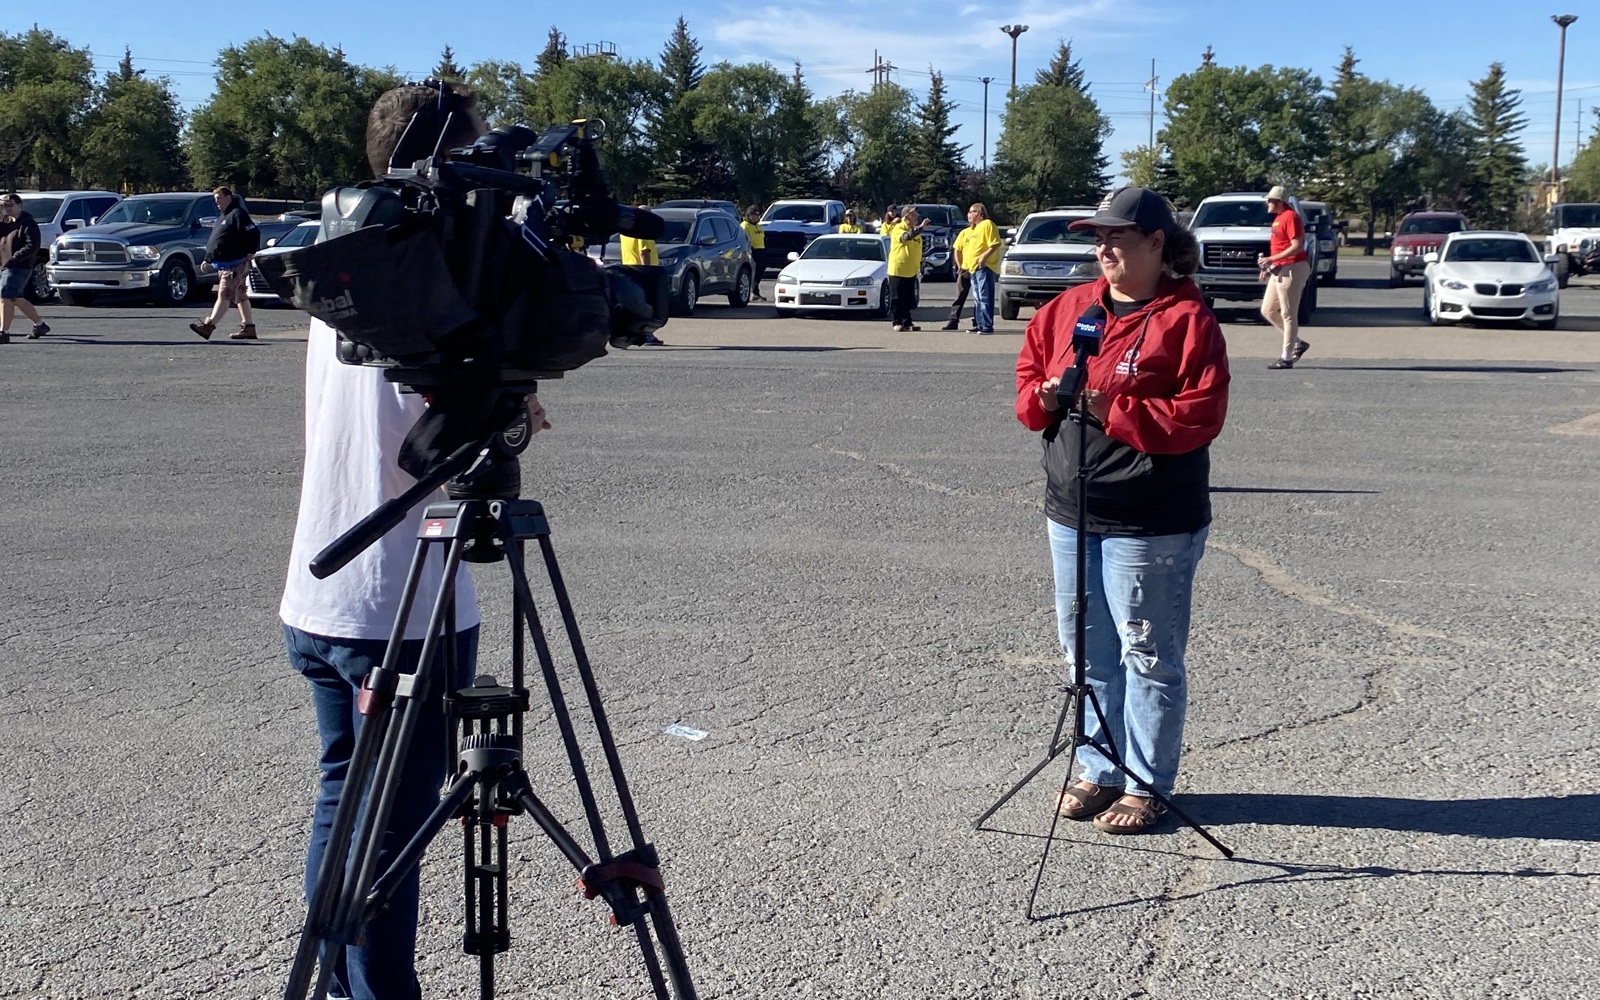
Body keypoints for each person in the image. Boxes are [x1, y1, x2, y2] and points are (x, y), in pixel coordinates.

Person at [279, 81, 550, 1000]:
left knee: (344, 812)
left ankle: (336, 981)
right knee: (388, 840)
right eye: (479, 156)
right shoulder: (436, 274)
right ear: (441, 158)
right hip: (400, 602)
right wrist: (514, 406)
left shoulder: (351, 253)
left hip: (325, 596)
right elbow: (443, 434)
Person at [1014, 186, 1229, 835]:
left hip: (1151, 519)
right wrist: (1047, 399)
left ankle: (1146, 783)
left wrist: (1117, 409)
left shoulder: (1188, 320)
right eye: (1098, 237)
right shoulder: (1068, 311)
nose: (1104, 247)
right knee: (1086, 653)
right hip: (1073, 509)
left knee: (1148, 653)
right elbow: (1027, 388)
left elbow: (1201, 416)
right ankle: (1096, 768)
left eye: (1119, 236)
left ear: (1157, 244)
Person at [188, 186, 259, 340]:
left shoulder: (238, 214)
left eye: (219, 198)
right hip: (223, 264)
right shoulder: (223, 216)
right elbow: (218, 239)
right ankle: (249, 327)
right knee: (240, 295)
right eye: (215, 199)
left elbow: (253, 232)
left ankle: (208, 326)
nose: (217, 202)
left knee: (224, 294)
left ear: (228, 197)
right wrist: (208, 258)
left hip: (235, 264)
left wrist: (251, 251)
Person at [1258, 185, 1311, 369]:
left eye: (1270, 200)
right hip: (1279, 268)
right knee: (1268, 310)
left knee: (1288, 314)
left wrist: (1271, 259)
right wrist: (1268, 265)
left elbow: (1297, 246)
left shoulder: (1291, 217)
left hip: (1293, 268)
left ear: (1280, 202)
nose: (1267, 203)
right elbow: (1279, 247)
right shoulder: (1278, 219)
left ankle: (1286, 357)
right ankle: (1298, 343)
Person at [0, 194, 50, 343]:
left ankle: (4, 332)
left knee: (5, 296)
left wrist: (13, 259)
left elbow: (32, 246)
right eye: (3, 205)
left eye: (10, 205)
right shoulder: (5, 223)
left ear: (19, 205)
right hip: (6, 266)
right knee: (16, 298)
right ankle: (40, 325)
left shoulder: (28, 223)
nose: (6, 208)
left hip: (20, 266)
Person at [619, 206, 665, 344]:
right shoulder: (644, 230)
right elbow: (644, 252)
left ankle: (633, 333)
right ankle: (647, 334)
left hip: (629, 268)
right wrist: (648, 271)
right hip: (643, 270)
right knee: (651, 304)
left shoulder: (626, 231)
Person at [883, 204, 926, 331]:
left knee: (908, 298)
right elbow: (906, 237)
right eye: (913, 215)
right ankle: (897, 322)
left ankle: (907, 322)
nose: (916, 217)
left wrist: (920, 264)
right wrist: (921, 227)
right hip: (898, 269)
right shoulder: (898, 229)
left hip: (911, 270)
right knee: (897, 297)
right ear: (906, 216)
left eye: (916, 215)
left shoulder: (915, 231)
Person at [965, 203, 1003, 335]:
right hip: (973, 268)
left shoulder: (987, 224)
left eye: (973, 212)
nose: (970, 214)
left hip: (984, 267)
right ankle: (979, 323)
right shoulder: (974, 229)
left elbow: (995, 243)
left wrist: (983, 258)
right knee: (977, 298)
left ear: (981, 214)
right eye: (969, 212)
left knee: (985, 296)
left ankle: (987, 325)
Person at [942, 223, 975, 330]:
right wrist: (960, 266)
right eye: (969, 214)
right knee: (960, 296)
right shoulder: (964, 233)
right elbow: (957, 250)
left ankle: (978, 321)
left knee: (979, 298)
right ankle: (953, 320)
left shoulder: (983, 231)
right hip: (965, 269)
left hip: (979, 269)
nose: (970, 218)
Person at [740, 205, 766, 301]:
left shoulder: (758, 226)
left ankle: (756, 291)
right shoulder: (744, 226)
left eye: (759, 215)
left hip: (761, 250)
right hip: (752, 251)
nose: (758, 217)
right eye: (756, 215)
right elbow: (746, 240)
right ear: (749, 215)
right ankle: (753, 293)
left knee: (759, 273)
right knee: (753, 273)